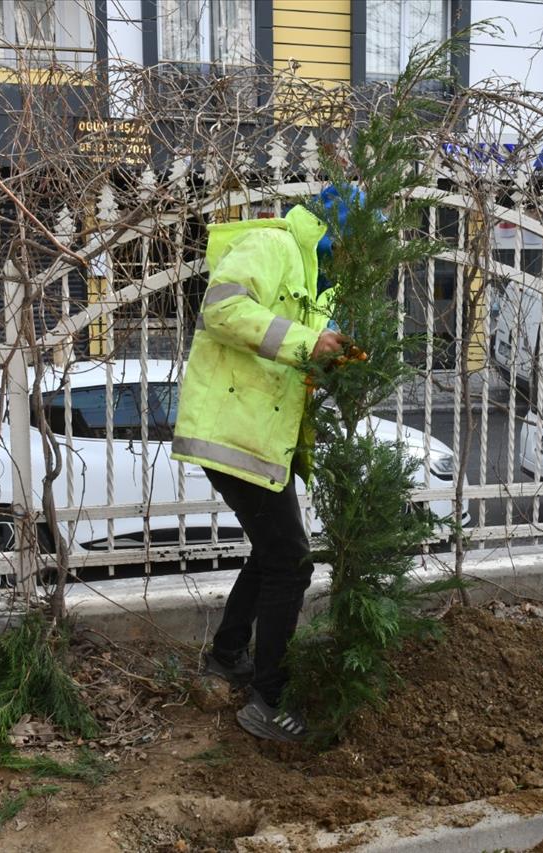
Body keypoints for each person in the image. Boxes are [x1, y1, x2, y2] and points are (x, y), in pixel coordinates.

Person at [171, 186, 361, 742]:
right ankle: (267, 700)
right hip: (230, 432)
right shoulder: (272, 244)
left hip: (258, 437)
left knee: (274, 551)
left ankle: (229, 654)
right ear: (336, 229)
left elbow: (296, 360)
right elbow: (223, 308)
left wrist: (331, 363)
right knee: (291, 562)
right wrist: (310, 341)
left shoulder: (318, 276)